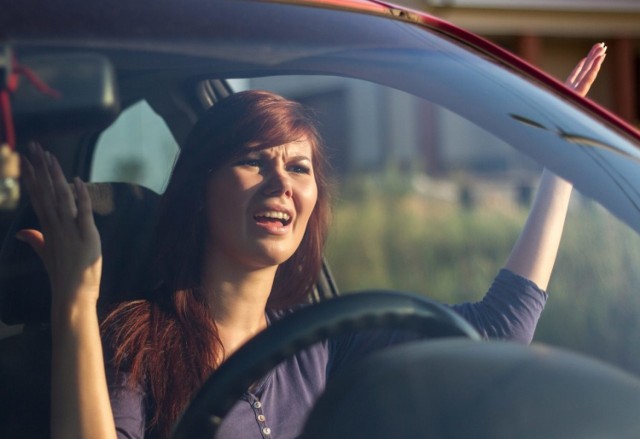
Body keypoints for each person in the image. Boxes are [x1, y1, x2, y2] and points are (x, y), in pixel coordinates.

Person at [17, 43, 606, 439]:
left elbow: (500, 328)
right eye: (254, 161)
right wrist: (75, 295)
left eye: (299, 168)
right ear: (200, 188)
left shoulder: (321, 344)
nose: (282, 184)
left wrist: (559, 168)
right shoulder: (136, 338)